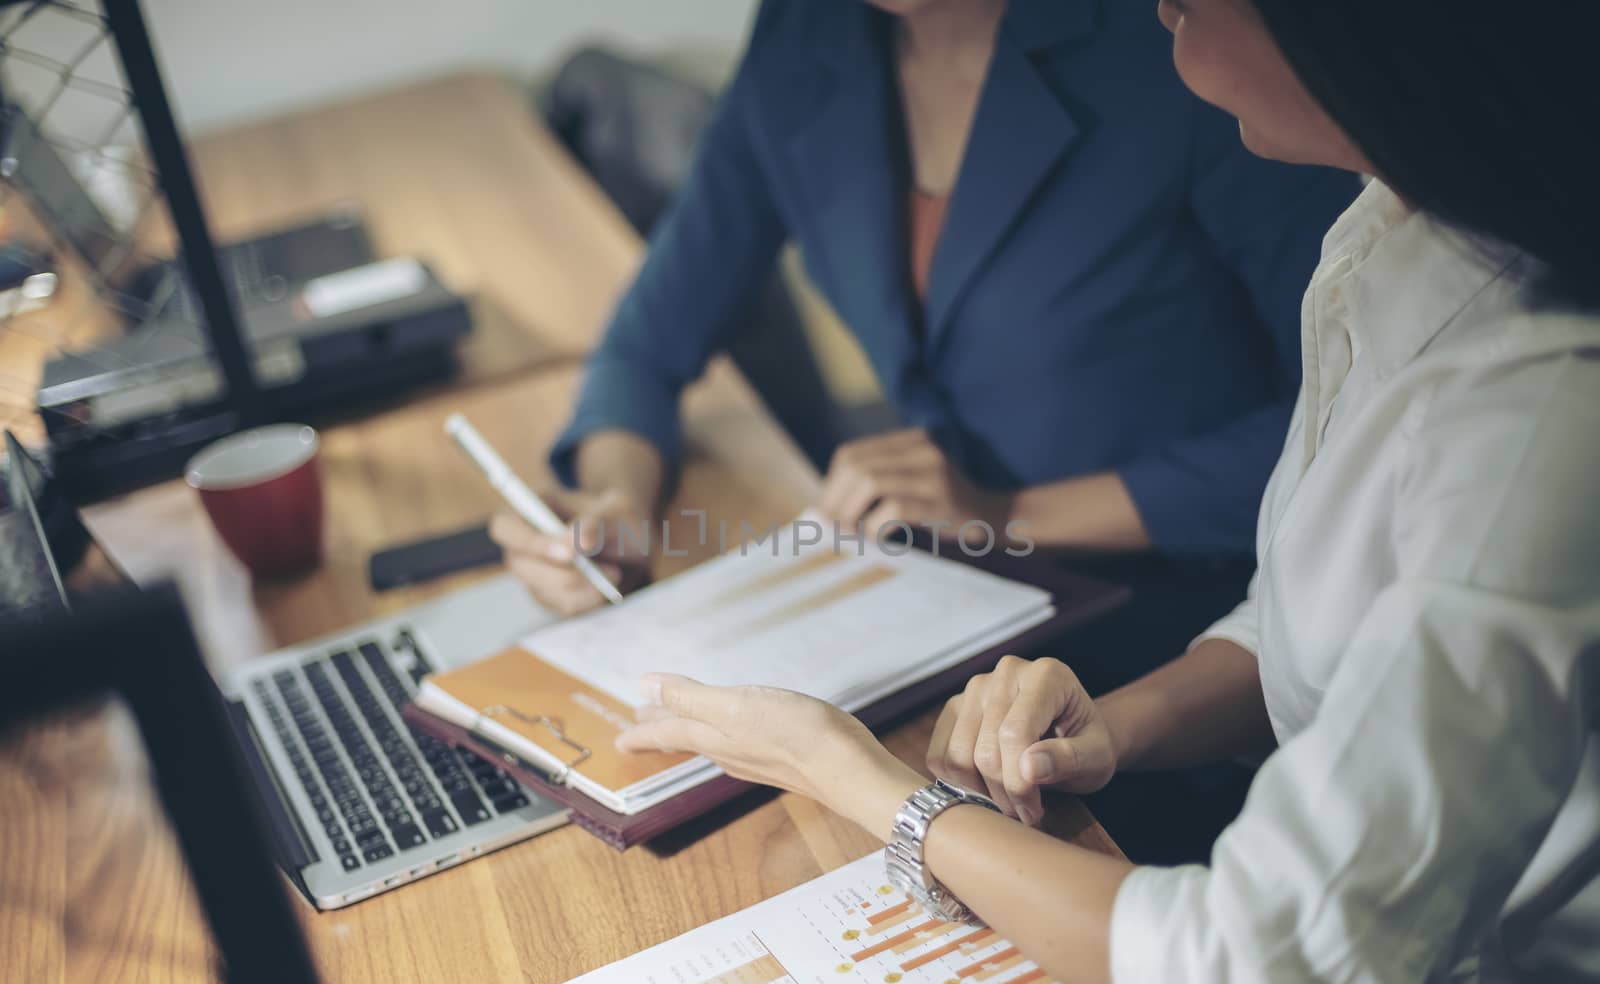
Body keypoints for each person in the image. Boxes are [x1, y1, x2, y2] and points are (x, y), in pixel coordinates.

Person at [613, 1, 1600, 984]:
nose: (1161, 4)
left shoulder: (1532, 416)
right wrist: (1116, 728)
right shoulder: (1393, 235)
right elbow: (1312, 604)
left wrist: (855, 776)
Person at [494, 0, 1357, 694]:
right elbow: (646, 344)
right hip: (952, 613)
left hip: (1203, 635)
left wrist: (1009, 516)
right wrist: (614, 503)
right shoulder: (808, 33)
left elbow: (1349, 425)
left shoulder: (1183, 41)